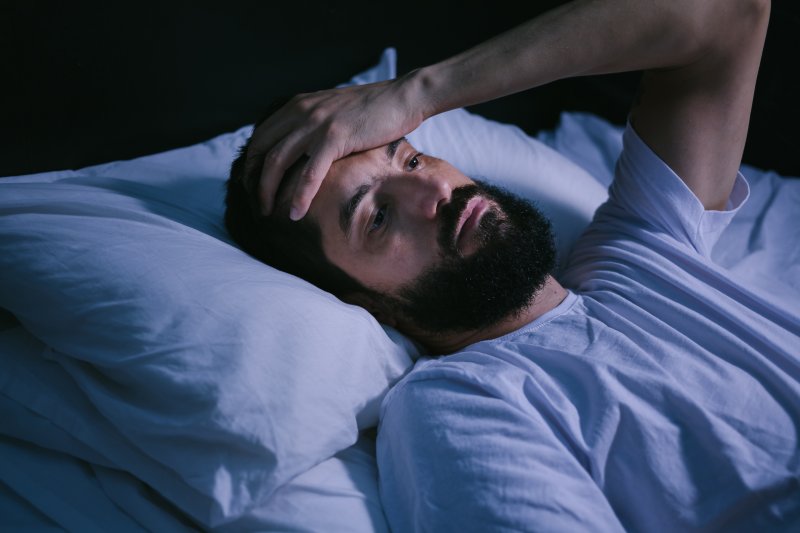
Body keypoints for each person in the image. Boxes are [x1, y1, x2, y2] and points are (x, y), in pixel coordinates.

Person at [226, 0, 800, 530]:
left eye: (413, 155)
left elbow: (729, 15)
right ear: (359, 300)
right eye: (377, 217)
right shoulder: (460, 403)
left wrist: (417, 92)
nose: (434, 191)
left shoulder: (642, 250)